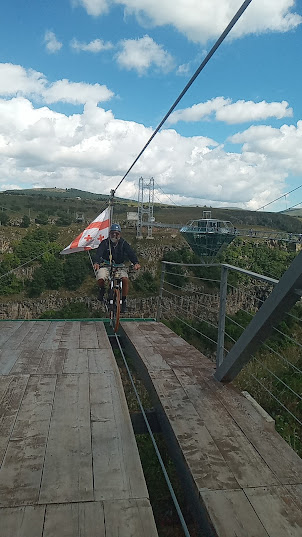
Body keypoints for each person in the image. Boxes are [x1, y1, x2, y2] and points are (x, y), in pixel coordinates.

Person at [93, 223, 140, 313]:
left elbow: (130, 253)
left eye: (117, 233)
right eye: (113, 233)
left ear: (120, 234)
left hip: (120, 266)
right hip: (106, 265)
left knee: (125, 279)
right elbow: (99, 253)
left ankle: (124, 300)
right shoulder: (105, 243)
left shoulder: (123, 243)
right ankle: (102, 290)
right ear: (110, 233)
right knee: (100, 277)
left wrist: (136, 263)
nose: (114, 235)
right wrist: (97, 263)